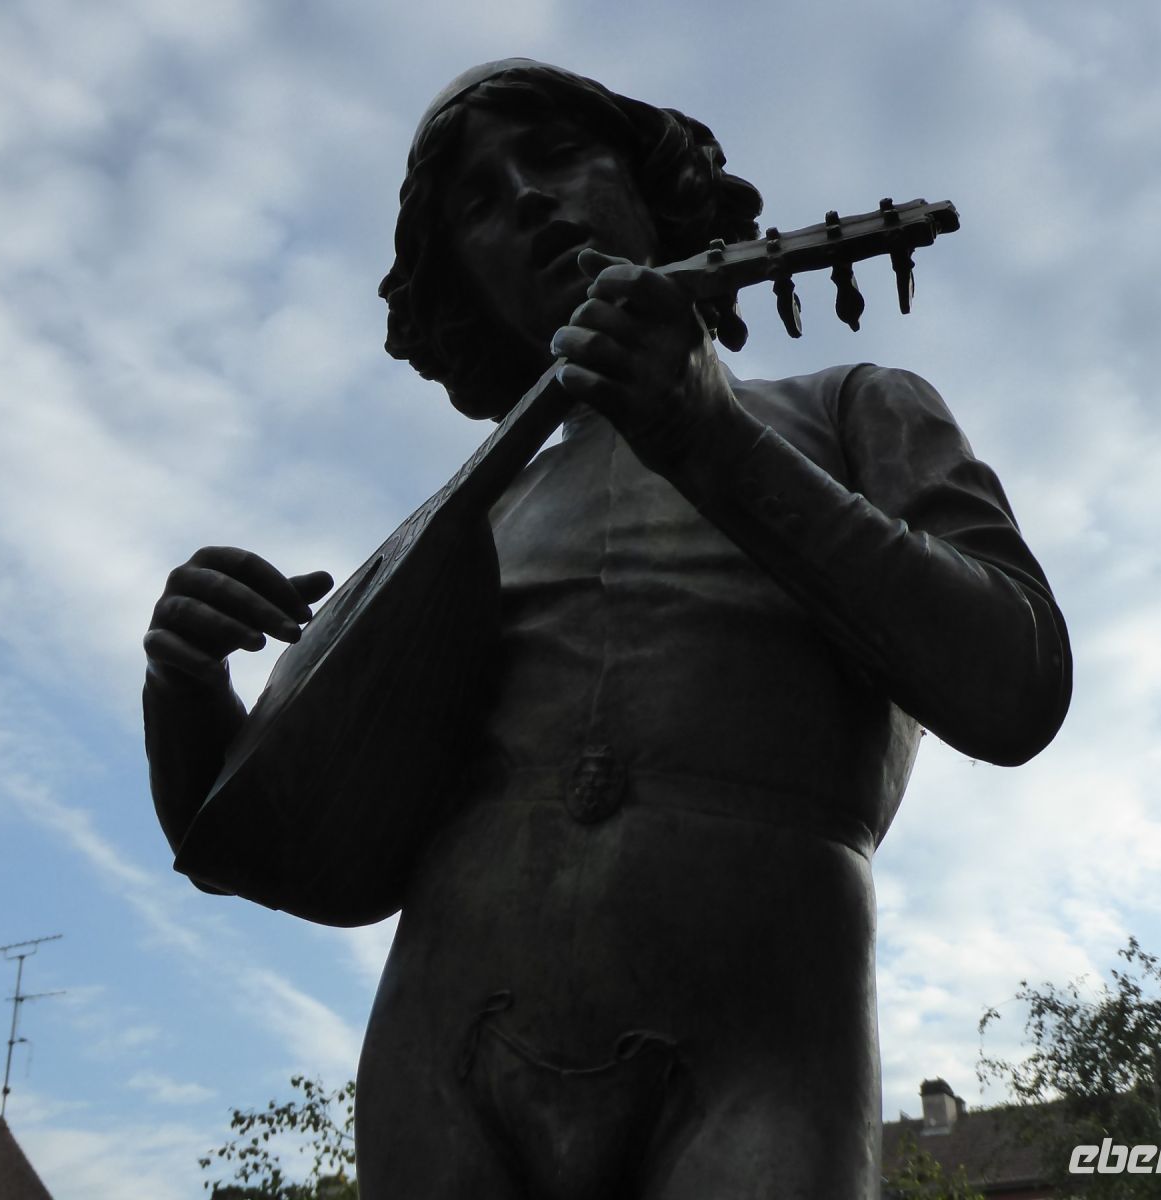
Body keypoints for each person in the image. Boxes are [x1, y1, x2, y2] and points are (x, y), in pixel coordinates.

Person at [144, 60, 1071, 1199]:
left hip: (761, 1035)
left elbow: (1016, 682)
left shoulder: (851, 409)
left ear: (652, 182)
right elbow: (261, 837)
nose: (526, 198)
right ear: (465, 289)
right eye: (479, 202)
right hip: (446, 1047)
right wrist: (184, 691)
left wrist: (708, 438)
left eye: (555, 155)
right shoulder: (460, 525)